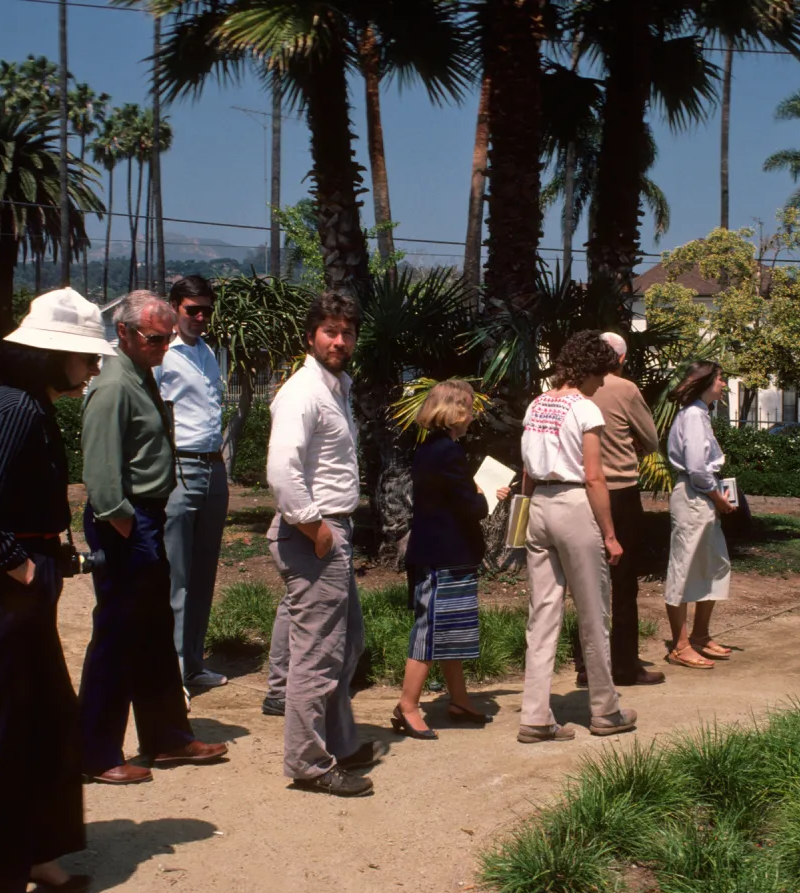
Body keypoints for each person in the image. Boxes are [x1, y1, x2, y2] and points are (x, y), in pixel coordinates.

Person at [0, 289, 111, 893]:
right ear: (55, 354)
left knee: (48, 721)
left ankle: (37, 851)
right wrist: (19, 564)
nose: (92, 370)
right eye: (84, 358)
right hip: (3, 594)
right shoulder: (14, 408)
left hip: (25, 587)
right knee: (5, 736)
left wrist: (51, 559)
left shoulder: (31, 406)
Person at [78, 290, 229, 785]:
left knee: (153, 631)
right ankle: (96, 751)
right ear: (123, 333)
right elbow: (101, 472)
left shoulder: (139, 376)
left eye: (166, 338)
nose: (164, 347)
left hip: (147, 517)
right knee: (118, 636)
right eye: (155, 339)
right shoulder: (114, 386)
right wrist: (121, 521)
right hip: (127, 521)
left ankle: (166, 737)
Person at [265, 291, 380, 796]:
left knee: (347, 642)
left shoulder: (337, 387)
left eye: (347, 332)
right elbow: (281, 471)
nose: (339, 340)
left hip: (332, 531)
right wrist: (316, 529)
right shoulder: (302, 392)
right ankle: (309, 763)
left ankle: (337, 739)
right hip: (314, 532)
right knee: (317, 655)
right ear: (311, 335)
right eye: (330, 330)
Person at [516, 330, 638, 744]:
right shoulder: (585, 410)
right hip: (572, 504)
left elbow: (529, 470)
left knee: (542, 614)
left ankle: (534, 715)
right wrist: (610, 534)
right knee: (593, 613)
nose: (602, 382)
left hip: (539, 508)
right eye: (600, 374)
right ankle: (605, 709)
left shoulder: (536, 405)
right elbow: (593, 476)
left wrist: (526, 512)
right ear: (587, 370)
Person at [394, 380, 509, 740]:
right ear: (456, 411)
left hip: (440, 551)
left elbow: (448, 495)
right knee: (430, 631)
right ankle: (407, 705)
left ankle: (458, 699)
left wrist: (473, 493)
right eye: (469, 407)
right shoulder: (448, 452)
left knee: (449, 629)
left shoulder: (431, 448)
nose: (473, 415)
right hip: (444, 554)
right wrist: (487, 497)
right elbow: (467, 505)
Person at [575, 331, 665, 688]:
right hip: (619, 490)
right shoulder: (625, 389)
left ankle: (586, 663)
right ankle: (625, 664)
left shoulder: (572, 388)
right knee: (623, 581)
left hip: (580, 490)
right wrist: (633, 449)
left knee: (585, 581)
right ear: (621, 359)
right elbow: (652, 438)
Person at [157, 274, 229, 694]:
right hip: (180, 468)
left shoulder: (207, 353)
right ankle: (173, 670)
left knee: (204, 572)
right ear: (175, 309)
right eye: (192, 310)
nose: (200, 317)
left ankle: (194, 662)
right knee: (177, 574)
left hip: (213, 466)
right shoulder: (163, 355)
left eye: (206, 310)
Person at [663, 361, 736, 669]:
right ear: (707, 382)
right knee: (685, 567)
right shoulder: (693, 415)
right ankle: (680, 645)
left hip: (701, 497)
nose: (723, 385)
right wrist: (718, 498)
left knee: (713, 563)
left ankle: (700, 635)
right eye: (721, 380)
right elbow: (696, 468)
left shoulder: (699, 414)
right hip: (695, 495)